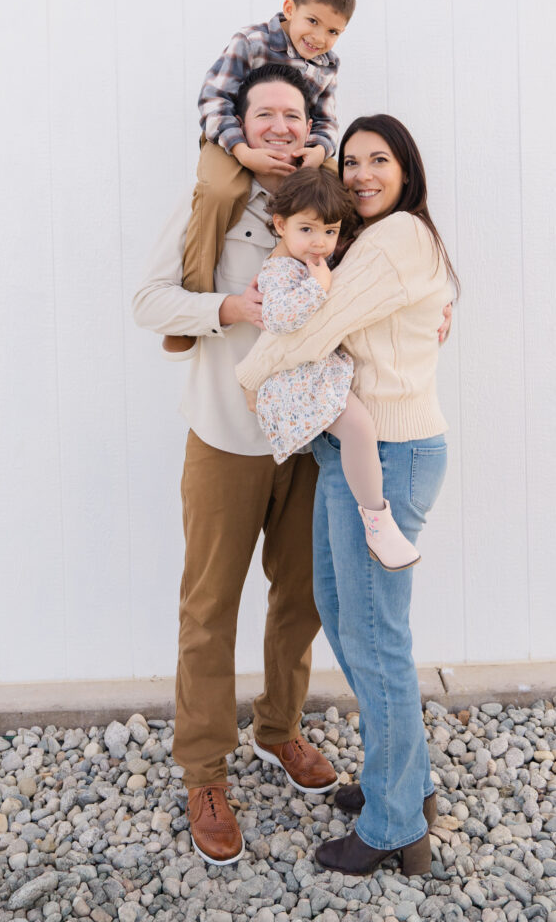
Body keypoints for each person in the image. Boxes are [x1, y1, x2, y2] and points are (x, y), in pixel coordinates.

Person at [236, 114, 460, 876]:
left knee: (375, 642)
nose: (363, 173)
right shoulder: (375, 240)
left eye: (380, 160)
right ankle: (403, 786)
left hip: (388, 455)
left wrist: (248, 374)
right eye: (353, 161)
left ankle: (396, 827)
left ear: (407, 169)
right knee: (348, 621)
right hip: (358, 452)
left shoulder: (397, 236)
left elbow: (318, 321)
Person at [132, 64, 340, 868]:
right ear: (240, 125)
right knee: (209, 608)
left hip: (310, 442)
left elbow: (376, 274)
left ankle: (279, 730)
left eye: (293, 113)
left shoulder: (331, 203)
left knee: (301, 596)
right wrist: (231, 309)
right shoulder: (207, 205)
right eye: (266, 115)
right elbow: (149, 300)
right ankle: (205, 771)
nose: (281, 127)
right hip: (224, 438)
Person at [162, 0, 356, 357]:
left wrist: (317, 152)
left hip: (299, 145)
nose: (319, 38)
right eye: (313, 22)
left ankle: (354, 281)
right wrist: (242, 150)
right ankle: (194, 302)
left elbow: (327, 121)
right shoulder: (250, 42)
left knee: (342, 184)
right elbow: (213, 100)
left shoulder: (329, 64)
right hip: (232, 139)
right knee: (220, 190)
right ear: (289, 8)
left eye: (333, 31)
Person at [253, 167, 420, 571]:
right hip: (296, 382)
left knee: (359, 430)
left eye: (329, 232)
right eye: (307, 230)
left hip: (312, 373)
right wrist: (319, 287)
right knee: (359, 427)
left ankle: (376, 520)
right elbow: (278, 317)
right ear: (280, 224)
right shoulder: (278, 270)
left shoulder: (308, 261)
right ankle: (377, 521)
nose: (319, 243)